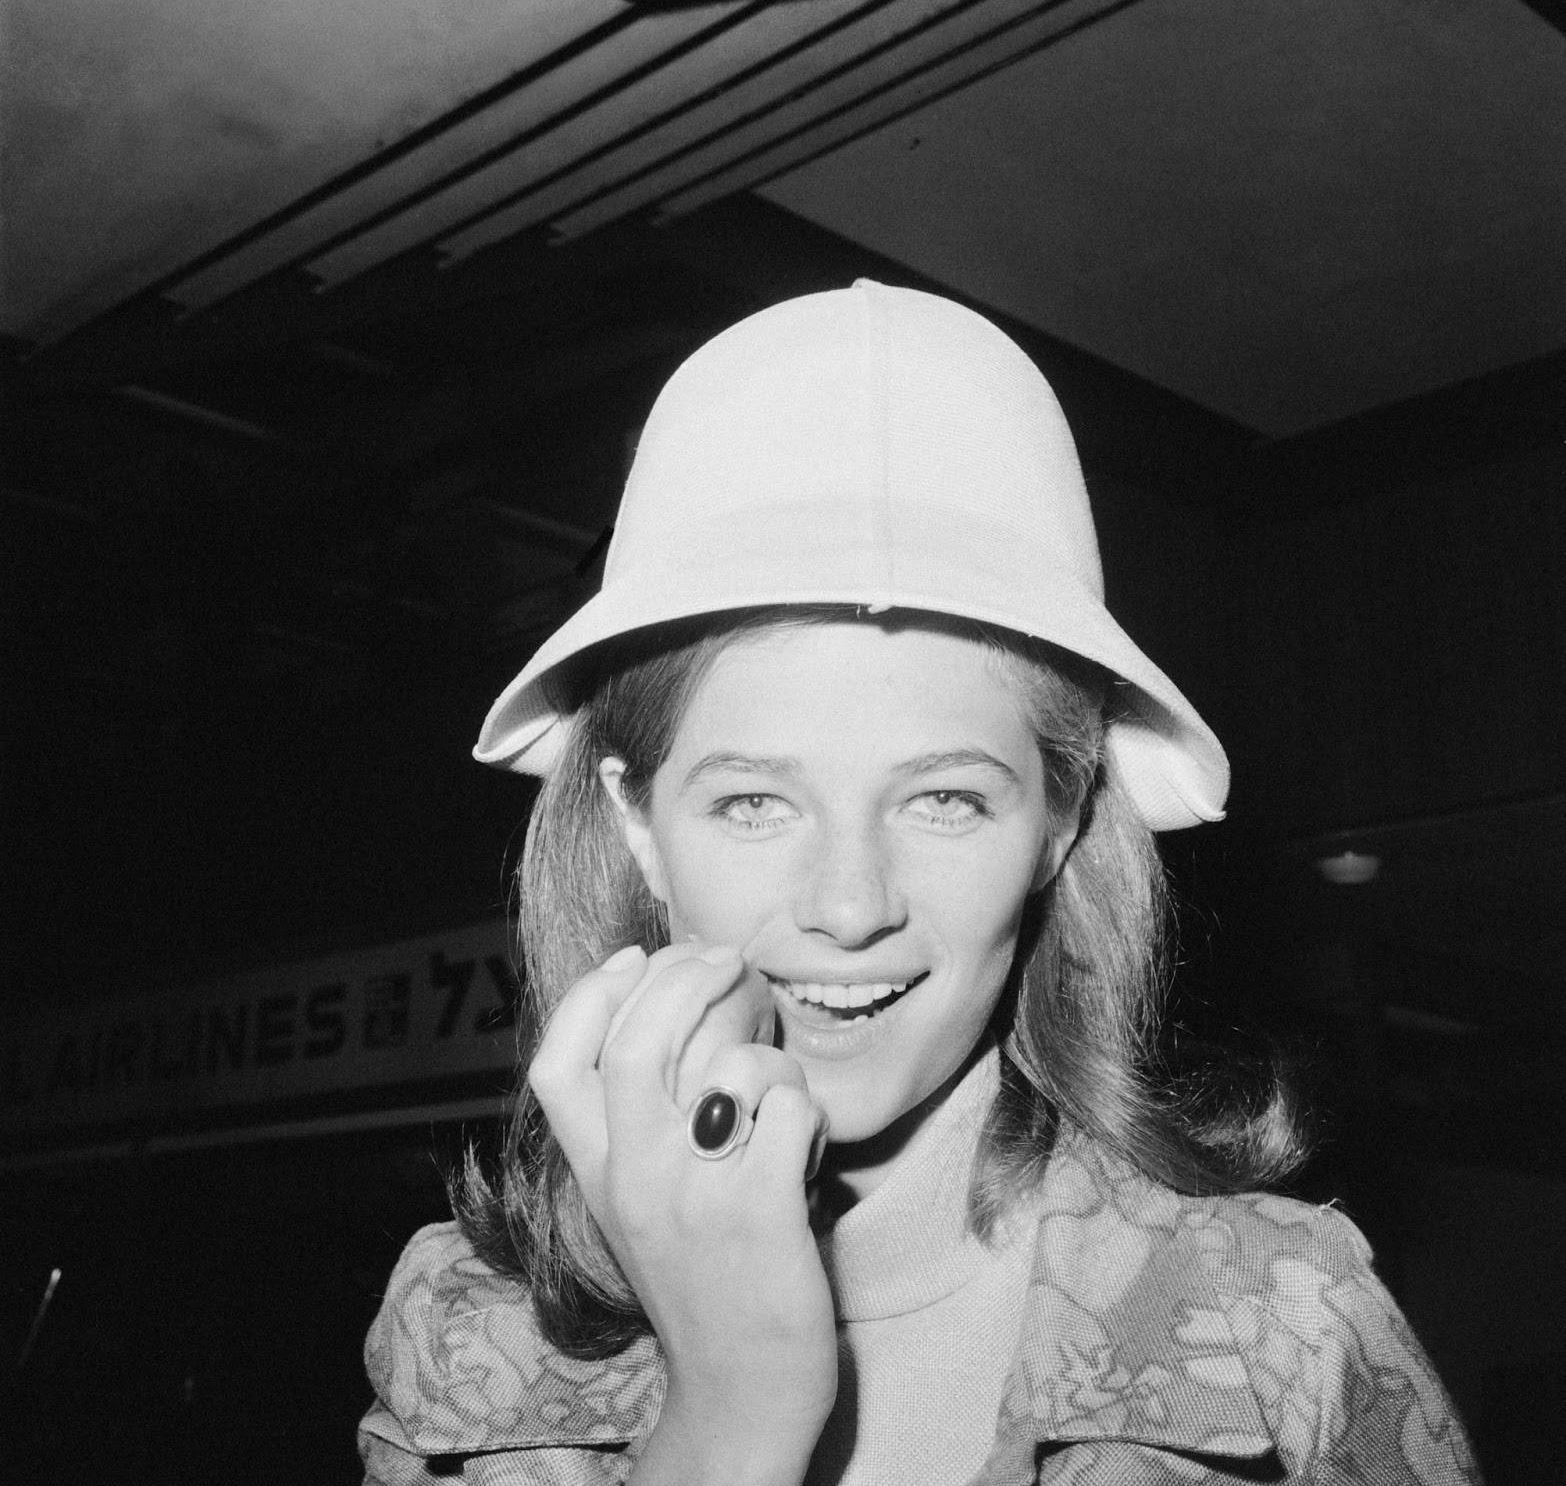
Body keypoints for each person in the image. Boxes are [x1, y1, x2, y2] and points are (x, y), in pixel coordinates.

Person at [359, 283, 1477, 1485]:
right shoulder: (469, 1329)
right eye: (753, 801)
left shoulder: (1280, 1317)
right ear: (638, 823)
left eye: (945, 798)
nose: (849, 907)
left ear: (1061, 824)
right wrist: (734, 1411)